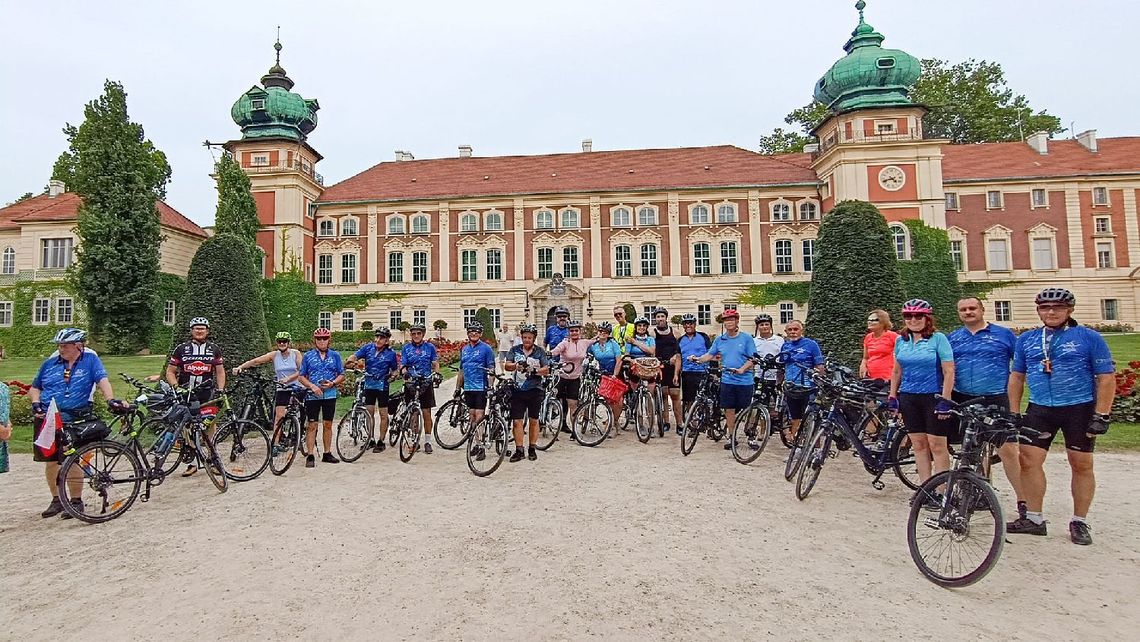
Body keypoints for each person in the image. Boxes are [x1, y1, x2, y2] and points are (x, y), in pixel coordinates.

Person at [1007, 288, 1115, 545]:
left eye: (1057, 307)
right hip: (1040, 407)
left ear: (1070, 310)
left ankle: (1080, 520)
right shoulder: (1027, 339)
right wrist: (1013, 411)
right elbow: (1017, 377)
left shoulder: (1088, 337)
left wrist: (1102, 414)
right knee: (1028, 461)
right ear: (1038, 311)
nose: (1051, 312)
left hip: (1078, 407)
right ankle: (1033, 518)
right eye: (1045, 308)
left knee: (1081, 464)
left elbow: (1106, 377)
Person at [30, 328, 122, 518]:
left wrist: (110, 399)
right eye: (59, 346)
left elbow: (102, 380)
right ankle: (56, 500)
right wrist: (36, 403)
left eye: (65, 346)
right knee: (51, 461)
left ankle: (75, 501)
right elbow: (35, 387)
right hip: (49, 417)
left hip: (76, 417)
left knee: (73, 459)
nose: (61, 349)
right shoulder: (49, 364)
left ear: (78, 346)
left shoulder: (90, 361)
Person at [947, 297, 1024, 519]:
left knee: (1008, 450)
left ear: (982, 310)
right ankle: (979, 491)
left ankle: (1024, 500)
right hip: (965, 399)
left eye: (972, 308)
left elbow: (1020, 366)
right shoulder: (954, 338)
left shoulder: (1003, 335)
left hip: (996, 397)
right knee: (972, 448)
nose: (968, 312)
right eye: (963, 309)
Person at [887, 299, 955, 491]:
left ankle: (942, 492)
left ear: (927, 318)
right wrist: (893, 396)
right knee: (918, 444)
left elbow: (949, 371)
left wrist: (946, 399)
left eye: (918, 316)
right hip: (909, 396)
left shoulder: (938, 338)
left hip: (933, 397)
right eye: (908, 316)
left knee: (937, 445)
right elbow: (897, 371)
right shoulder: (901, 341)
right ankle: (925, 490)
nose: (913, 319)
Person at [166, 316, 226, 477]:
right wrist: (176, 387)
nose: (199, 331)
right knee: (187, 427)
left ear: (207, 331)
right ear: (191, 331)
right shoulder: (181, 349)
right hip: (187, 394)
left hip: (207, 393)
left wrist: (220, 389)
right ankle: (192, 462)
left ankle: (212, 459)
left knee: (210, 424)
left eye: (202, 328)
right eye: (196, 328)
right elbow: (170, 371)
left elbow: (220, 372)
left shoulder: (214, 349)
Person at [689, 310, 756, 450]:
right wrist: (698, 359)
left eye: (732, 319)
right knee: (729, 409)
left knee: (748, 409)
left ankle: (750, 435)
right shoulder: (720, 339)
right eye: (726, 320)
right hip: (727, 379)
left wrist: (743, 369)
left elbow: (753, 358)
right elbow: (710, 354)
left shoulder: (746, 338)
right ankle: (732, 437)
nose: (729, 322)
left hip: (744, 380)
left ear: (737, 321)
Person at [232, 331, 306, 453]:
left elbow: (302, 371)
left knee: (298, 411)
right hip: (282, 388)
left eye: (284, 342)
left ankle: (299, 432)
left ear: (289, 343)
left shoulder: (295, 354)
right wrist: (241, 367)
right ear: (277, 343)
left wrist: (289, 378)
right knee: (279, 416)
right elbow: (256, 361)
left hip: (296, 386)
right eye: (279, 342)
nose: (282, 344)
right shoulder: (274, 355)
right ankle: (275, 444)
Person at [345, 327, 400, 453]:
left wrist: (393, 375)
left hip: (382, 386)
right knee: (369, 413)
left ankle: (381, 441)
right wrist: (351, 360)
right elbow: (356, 355)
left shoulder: (390, 354)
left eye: (381, 338)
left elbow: (395, 370)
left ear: (386, 340)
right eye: (377, 337)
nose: (378, 340)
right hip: (369, 385)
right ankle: (370, 438)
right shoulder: (368, 348)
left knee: (383, 414)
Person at [298, 328, 345, 467]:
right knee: (312, 425)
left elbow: (341, 374)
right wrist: (312, 386)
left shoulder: (335, 355)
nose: (322, 341)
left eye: (325, 338)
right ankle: (310, 454)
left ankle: (327, 453)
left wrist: (333, 383)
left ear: (329, 340)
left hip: (329, 394)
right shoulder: (308, 356)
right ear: (315, 341)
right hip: (313, 395)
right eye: (319, 339)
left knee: (328, 424)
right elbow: (301, 376)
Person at [777, 320, 825, 450]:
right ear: (786, 332)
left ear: (801, 330)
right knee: (795, 418)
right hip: (791, 387)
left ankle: (815, 449)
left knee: (811, 419)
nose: (793, 332)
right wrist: (779, 383)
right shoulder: (785, 346)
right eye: (790, 330)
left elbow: (819, 365)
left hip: (809, 387)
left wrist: (820, 380)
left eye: (795, 329)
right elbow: (782, 366)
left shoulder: (811, 344)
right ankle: (797, 448)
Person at [505, 324, 551, 461]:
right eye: (524, 337)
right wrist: (516, 366)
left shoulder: (540, 352)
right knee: (517, 421)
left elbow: (547, 369)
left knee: (533, 420)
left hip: (534, 389)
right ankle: (519, 449)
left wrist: (535, 370)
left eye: (529, 338)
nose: (526, 340)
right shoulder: (514, 350)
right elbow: (507, 365)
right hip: (517, 389)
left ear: (534, 338)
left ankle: (532, 447)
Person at [400, 322, 441, 454]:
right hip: (411, 381)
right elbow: (403, 364)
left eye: (418, 333)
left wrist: (436, 373)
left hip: (426, 381)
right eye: (413, 334)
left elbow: (435, 363)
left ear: (423, 334)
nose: (416, 336)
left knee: (426, 412)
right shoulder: (406, 348)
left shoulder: (430, 347)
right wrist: (404, 371)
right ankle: (413, 440)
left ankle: (428, 441)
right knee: (413, 413)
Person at [550, 319, 592, 435]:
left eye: (576, 330)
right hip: (562, 377)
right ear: (569, 332)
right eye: (572, 331)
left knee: (573, 405)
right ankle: (548, 422)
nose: (574, 333)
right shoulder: (564, 343)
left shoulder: (584, 343)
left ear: (580, 331)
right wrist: (549, 354)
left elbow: (596, 340)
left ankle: (574, 431)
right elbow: (556, 351)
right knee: (554, 401)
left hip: (575, 378)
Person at [456, 321, 497, 436]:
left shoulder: (486, 349)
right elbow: (462, 370)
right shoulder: (464, 349)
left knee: (479, 415)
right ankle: (476, 441)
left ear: (480, 333)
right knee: (472, 415)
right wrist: (457, 388)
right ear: (468, 333)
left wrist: (490, 387)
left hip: (481, 387)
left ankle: (480, 445)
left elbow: (491, 369)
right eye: (471, 331)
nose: (474, 333)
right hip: (468, 387)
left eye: (477, 332)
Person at [652, 307, 683, 436]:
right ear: (655, 319)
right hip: (660, 367)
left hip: (672, 367)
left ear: (666, 318)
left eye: (662, 316)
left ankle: (680, 424)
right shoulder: (652, 333)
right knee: (663, 395)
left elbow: (679, 353)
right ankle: (665, 422)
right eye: (658, 317)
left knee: (675, 395)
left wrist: (676, 370)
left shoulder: (675, 332)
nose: (660, 319)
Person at [587, 322, 624, 428]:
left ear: (608, 334)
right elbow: (585, 350)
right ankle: (608, 420)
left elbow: (618, 360)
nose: (602, 333)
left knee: (618, 400)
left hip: (615, 372)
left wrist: (615, 375)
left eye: (605, 332)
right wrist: (595, 338)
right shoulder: (594, 346)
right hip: (602, 374)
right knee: (606, 399)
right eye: (600, 331)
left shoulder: (613, 344)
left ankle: (614, 420)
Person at [678, 314, 712, 416]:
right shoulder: (680, 340)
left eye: (690, 323)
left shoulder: (703, 337)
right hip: (687, 372)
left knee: (703, 397)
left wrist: (712, 370)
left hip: (702, 371)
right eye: (686, 324)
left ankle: (703, 416)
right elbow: (678, 356)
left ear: (695, 324)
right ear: (683, 326)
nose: (688, 326)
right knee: (688, 398)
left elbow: (711, 353)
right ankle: (691, 419)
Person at [752, 314, 784, 406]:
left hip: (777, 377)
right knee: (761, 404)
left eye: (767, 324)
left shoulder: (779, 340)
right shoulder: (754, 341)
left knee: (778, 405)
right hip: (760, 376)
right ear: (758, 327)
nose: (764, 327)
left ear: (770, 326)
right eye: (761, 325)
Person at [860, 309, 898, 382]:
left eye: (874, 320)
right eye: (869, 320)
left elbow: (901, 357)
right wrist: (863, 365)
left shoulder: (893, 336)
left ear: (883, 322)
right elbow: (865, 358)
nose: (869, 322)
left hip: (888, 379)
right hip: (870, 379)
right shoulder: (868, 337)